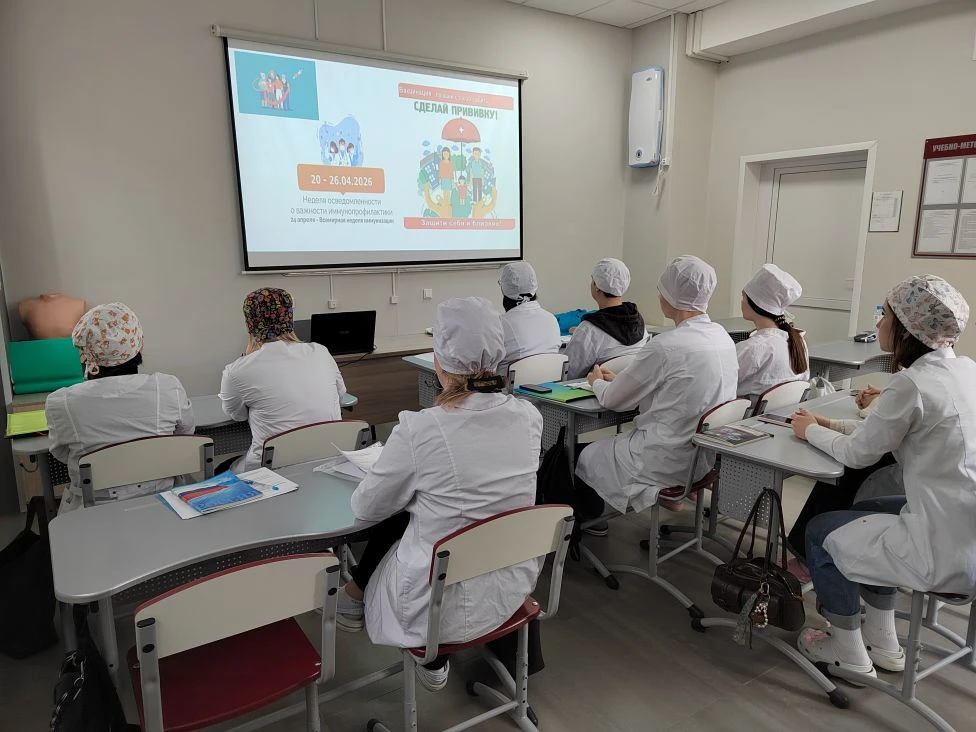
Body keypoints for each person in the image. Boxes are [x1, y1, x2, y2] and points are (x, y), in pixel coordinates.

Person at [337, 297, 544, 692]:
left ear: (439, 361)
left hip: (434, 607)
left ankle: (413, 643)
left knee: (404, 517)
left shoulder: (421, 429)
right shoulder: (529, 417)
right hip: (510, 587)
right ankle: (428, 655)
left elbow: (364, 509)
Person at [790, 275, 976, 678]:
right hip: (963, 527)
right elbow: (885, 433)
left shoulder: (912, 383)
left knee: (820, 531)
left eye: (885, 314)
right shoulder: (965, 370)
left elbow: (858, 455)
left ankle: (847, 652)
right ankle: (883, 640)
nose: (878, 323)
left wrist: (810, 432)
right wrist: (827, 424)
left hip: (942, 548)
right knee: (870, 509)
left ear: (908, 328)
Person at [574, 256, 738, 523]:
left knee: (583, 456)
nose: (659, 295)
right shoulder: (722, 337)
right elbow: (678, 388)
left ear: (671, 297)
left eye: (662, 290)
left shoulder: (666, 345)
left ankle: (589, 525)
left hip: (662, 458)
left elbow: (613, 400)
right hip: (703, 458)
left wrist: (598, 383)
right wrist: (623, 381)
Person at [46, 303, 195, 514]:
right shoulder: (168, 387)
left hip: (93, 513)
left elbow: (61, 453)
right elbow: (185, 435)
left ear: (85, 354)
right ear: (138, 344)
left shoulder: (61, 402)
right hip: (163, 506)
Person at [219, 288, 346, 472]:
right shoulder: (320, 352)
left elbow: (236, 415)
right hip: (327, 459)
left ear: (248, 324)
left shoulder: (236, 371)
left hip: (272, 470)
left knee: (224, 468)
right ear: (290, 319)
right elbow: (340, 396)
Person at [564, 258, 649, 379]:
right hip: (629, 387)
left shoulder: (589, 329)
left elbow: (569, 373)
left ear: (597, 286)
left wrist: (581, 333)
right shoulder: (638, 320)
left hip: (593, 388)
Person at [736, 263, 809, 400]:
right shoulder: (799, 341)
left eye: (743, 296)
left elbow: (722, 387)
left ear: (755, 304)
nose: (741, 301)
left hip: (747, 413)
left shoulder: (753, 348)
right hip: (784, 412)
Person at [498, 261, 561, 367]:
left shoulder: (501, 325)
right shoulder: (551, 319)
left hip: (511, 378)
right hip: (549, 378)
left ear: (504, 289)